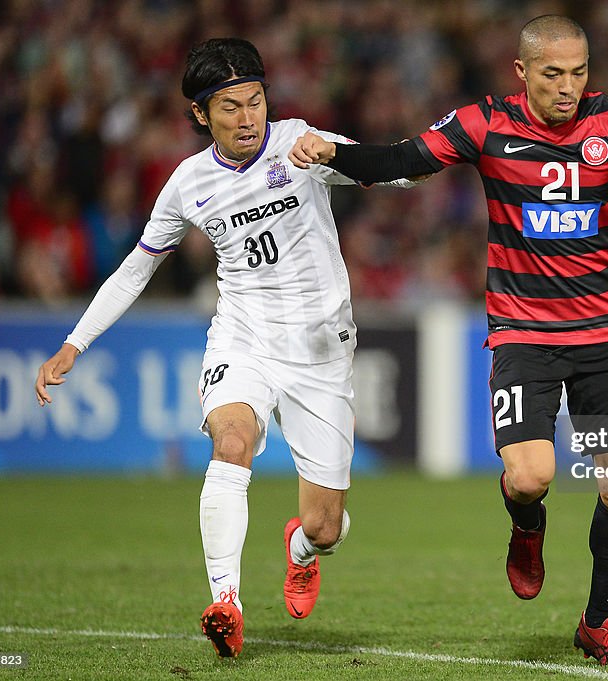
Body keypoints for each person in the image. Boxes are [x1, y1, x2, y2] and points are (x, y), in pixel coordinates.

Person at [290, 15, 608, 667]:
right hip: (524, 333)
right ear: (522, 73)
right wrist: (333, 152)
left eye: (578, 72)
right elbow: (404, 159)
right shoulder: (485, 124)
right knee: (531, 476)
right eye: (553, 74)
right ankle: (526, 524)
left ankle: (600, 622)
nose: (569, 87)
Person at [34, 38, 421, 658]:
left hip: (321, 350)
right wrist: (74, 342)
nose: (248, 119)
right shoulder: (188, 183)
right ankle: (227, 601)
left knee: (326, 527)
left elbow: (397, 170)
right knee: (231, 441)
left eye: (256, 101)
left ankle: (301, 549)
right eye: (232, 108)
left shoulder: (299, 143)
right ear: (200, 116)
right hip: (244, 338)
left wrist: (384, 154)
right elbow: (137, 268)